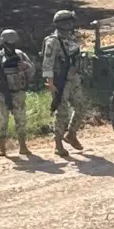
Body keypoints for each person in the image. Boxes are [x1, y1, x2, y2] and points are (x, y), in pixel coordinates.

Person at [0, 29, 36, 157]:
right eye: (9, 43)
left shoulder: (21, 55)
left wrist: (26, 67)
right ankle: (2, 148)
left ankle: (23, 146)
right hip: (2, 93)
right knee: (2, 120)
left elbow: (32, 71)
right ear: (3, 43)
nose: (11, 46)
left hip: (18, 92)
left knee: (21, 120)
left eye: (13, 43)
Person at [42, 9, 86, 158]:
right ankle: (58, 143)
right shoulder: (53, 41)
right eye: (69, 22)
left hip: (74, 78)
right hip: (60, 81)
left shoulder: (72, 38)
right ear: (63, 24)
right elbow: (47, 63)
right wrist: (50, 83)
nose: (72, 24)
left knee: (81, 107)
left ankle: (71, 134)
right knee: (62, 113)